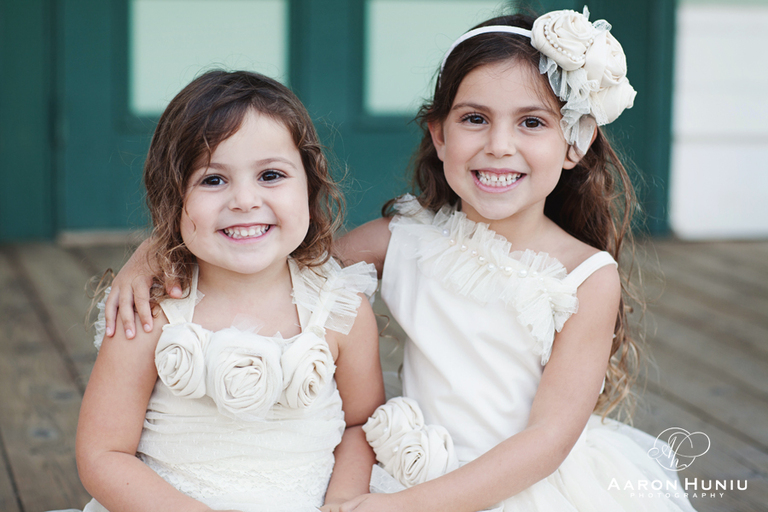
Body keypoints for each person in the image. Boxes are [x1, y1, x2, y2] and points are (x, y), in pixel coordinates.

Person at [103, 8, 698, 512]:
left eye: (532, 122)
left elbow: (547, 440)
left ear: (576, 140)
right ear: (439, 136)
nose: (498, 144)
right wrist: (152, 252)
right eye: (474, 119)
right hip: (411, 465)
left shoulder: (587, 277)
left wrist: (403, 508)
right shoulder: (405, 237)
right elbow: (264, 249)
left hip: (520, 487)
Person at [73, 70, 385, 512]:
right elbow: (103, 454)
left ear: (310, 187)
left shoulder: (341, 310)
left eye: (271, 175)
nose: (244, 200)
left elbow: (361, 424)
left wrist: (345, 500)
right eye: (213, 180)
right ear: (173, 196)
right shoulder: (150, 311)